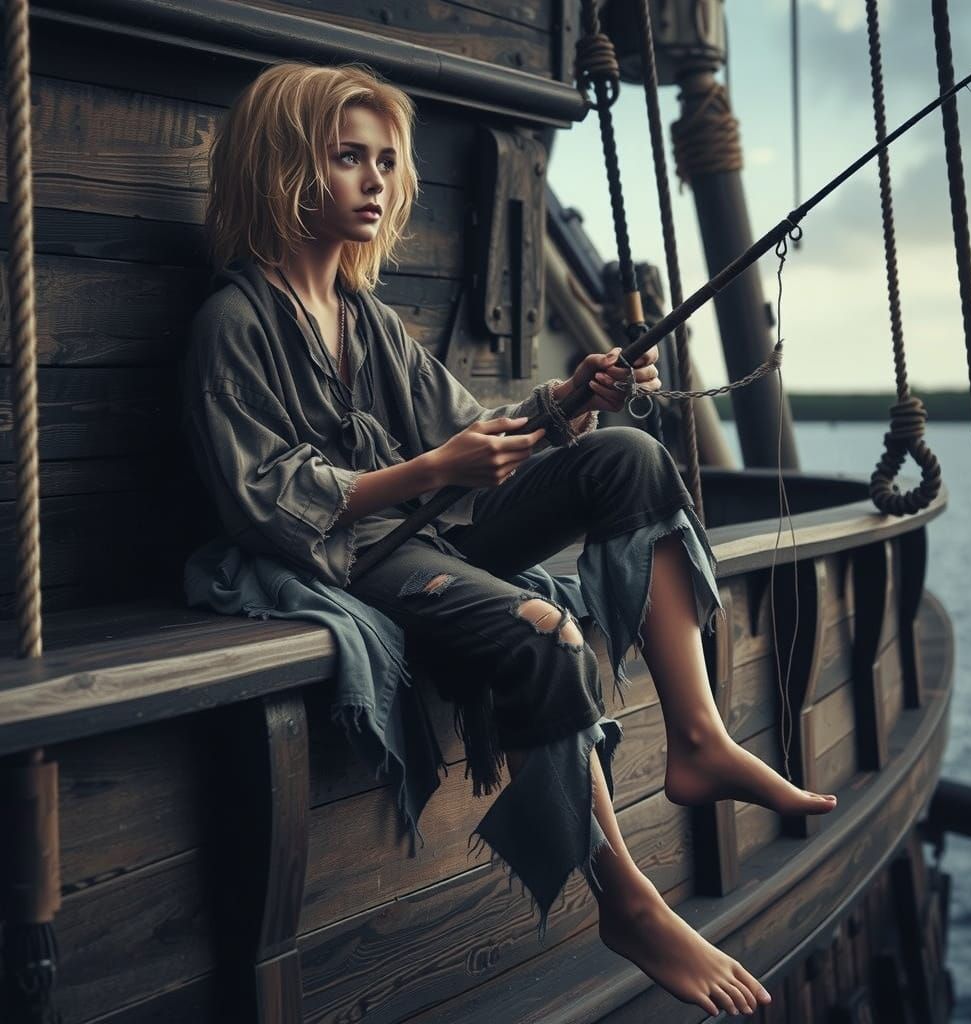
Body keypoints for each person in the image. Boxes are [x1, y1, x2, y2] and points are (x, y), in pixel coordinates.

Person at [184, 60, 838, 1019]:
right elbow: (262, 498)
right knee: (543, 633)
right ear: (282, 168)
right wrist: (432, 472)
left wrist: (573, 397)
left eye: (385, 161)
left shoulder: (366, 320)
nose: (375, 180)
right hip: (353, 558)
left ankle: (697, 736)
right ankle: (628, 901)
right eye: (346, 158)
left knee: (627, 458)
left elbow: (474, 429)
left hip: (432, 524)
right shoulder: (231, 323)